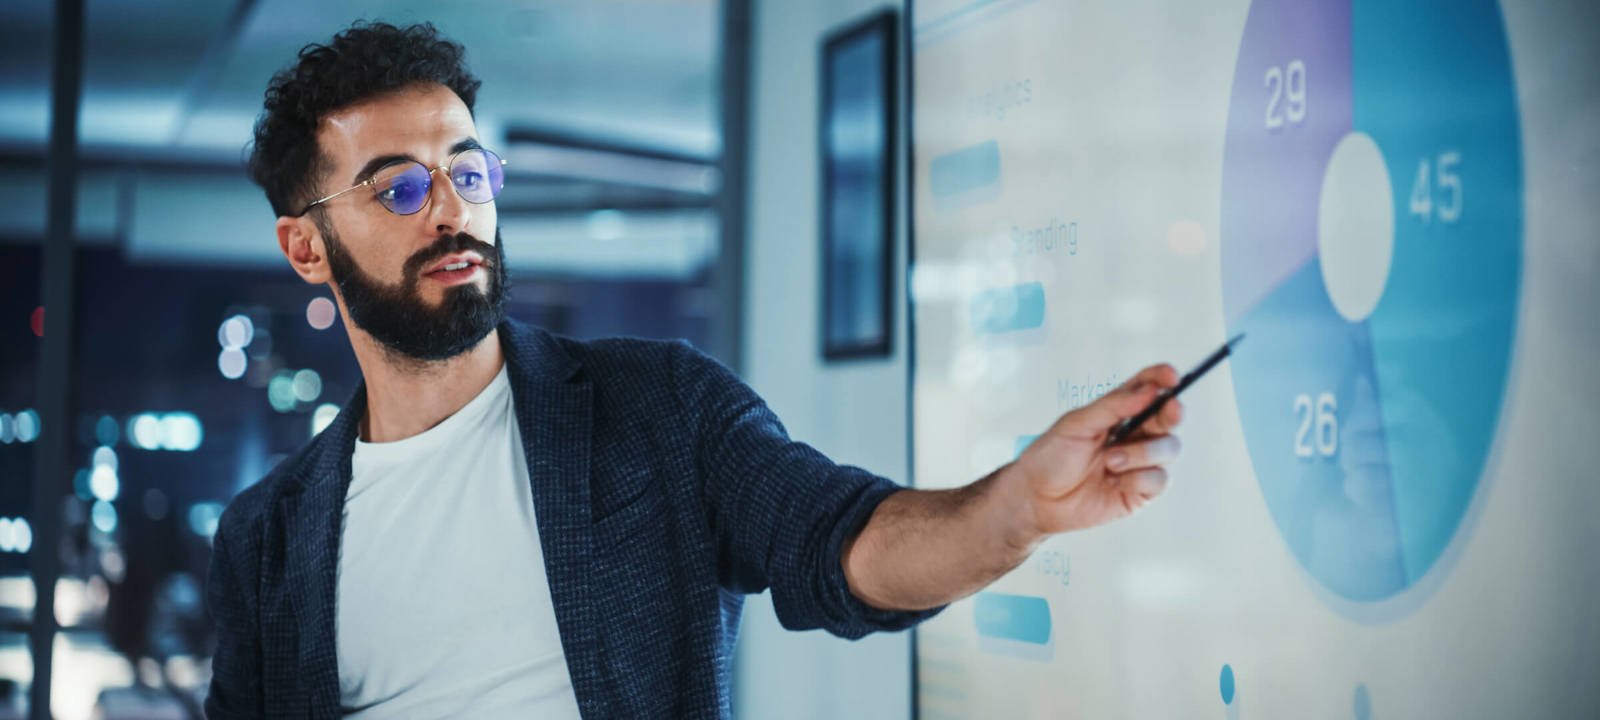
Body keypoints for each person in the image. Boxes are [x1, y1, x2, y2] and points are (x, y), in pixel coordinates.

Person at [204, 21, 1184, 719]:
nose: (450, 210)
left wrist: (1010, 508)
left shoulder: (654, 407)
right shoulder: (268, 539)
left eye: (468, 171)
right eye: (401, 187)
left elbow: (840, 542)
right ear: (306, 247)